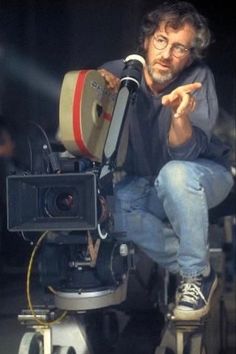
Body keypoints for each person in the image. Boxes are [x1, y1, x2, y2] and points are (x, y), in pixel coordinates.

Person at [98, 1, 234, 321]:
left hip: (205, 174)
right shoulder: (120, 73)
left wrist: (179, 115)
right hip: (148, 181)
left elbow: (185, 153)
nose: (166, 53)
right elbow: (84, 123)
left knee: (175, 174)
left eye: (179, 47)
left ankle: (194, 278)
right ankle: (200, 267)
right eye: (161, 40)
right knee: (111, 211)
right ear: (147, 40)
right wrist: (96, 90)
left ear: (189, 55)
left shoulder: (198, 78)